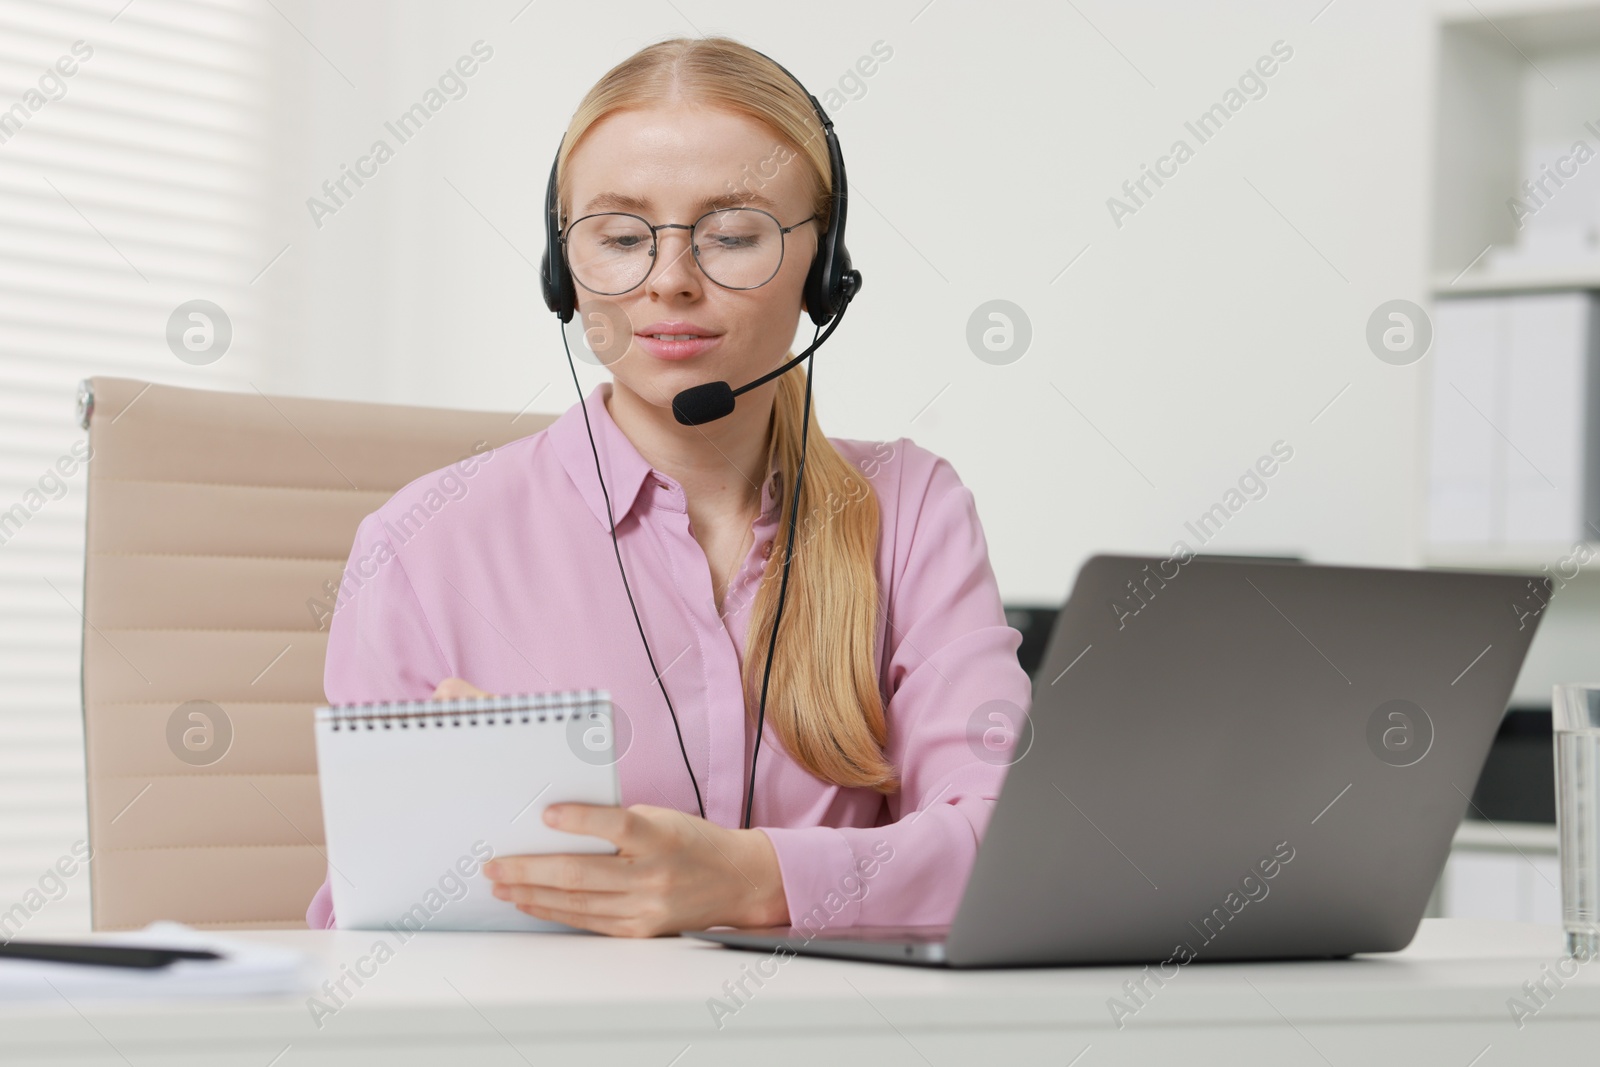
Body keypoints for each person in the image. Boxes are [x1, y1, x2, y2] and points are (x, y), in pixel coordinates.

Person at [304, 35, 1031, 937]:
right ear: (562, 273)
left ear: (825, 270)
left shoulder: (911, 509)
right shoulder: (421, 548)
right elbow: (365, 935)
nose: (671, 282)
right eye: (618, 238)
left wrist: (754, 880)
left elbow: (1010, 850)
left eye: (732, 235)